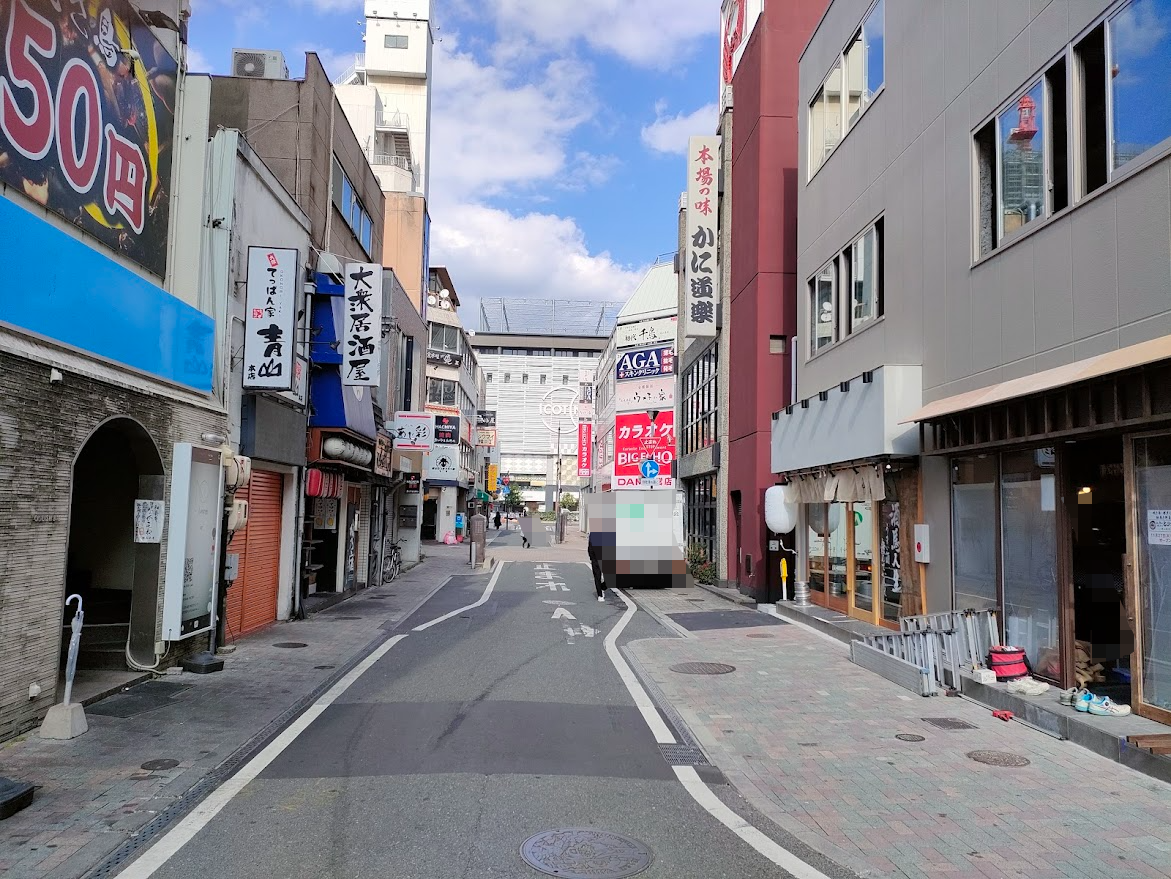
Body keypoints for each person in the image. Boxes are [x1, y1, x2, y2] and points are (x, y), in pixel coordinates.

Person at [588, 505, 616, 601]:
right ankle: (600, 594)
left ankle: (603, 587)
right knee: (597, 575)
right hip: (596, 556)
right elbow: (590, 544)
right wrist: (592, 557)